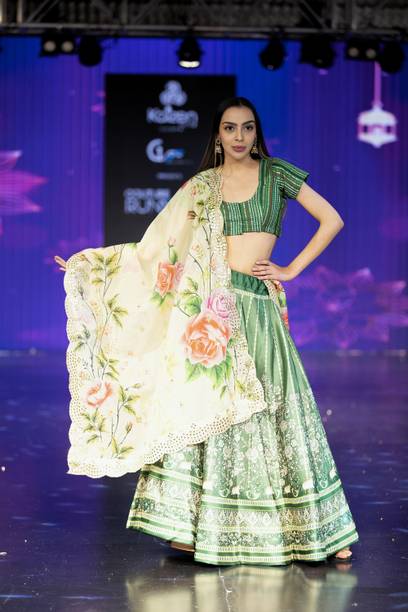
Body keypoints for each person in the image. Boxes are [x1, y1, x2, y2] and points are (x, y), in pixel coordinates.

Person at [55, 96, 359, 566]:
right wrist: (92, 269)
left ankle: (317, 527)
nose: (239, 136)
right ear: (217, 135)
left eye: (247, 127)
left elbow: (332, 219)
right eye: (230, 128)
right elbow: (158, 250)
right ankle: (189, 526)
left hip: (257, 309)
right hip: (211, 315)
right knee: (205, 406)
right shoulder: (203, 186)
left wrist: (291, 269)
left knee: (279, 407)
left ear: (256, 133)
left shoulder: (277, 175)